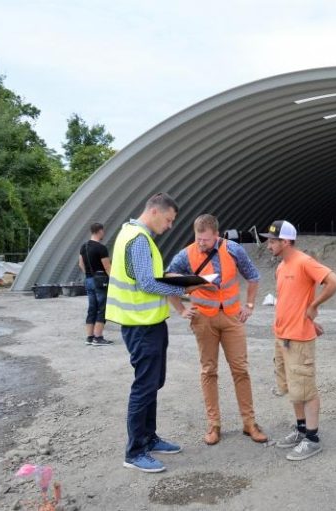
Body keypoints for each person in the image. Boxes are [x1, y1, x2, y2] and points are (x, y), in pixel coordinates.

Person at [106, 192, 204, 473]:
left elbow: (149, 279)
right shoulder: (138, 239)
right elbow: (148, 284)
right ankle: (135, 451)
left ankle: (149, 438)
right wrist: (184, 289)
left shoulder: (133, 234)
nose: (170, 226)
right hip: (141, 325)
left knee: (152, 383)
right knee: (144, 386)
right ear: (155, 212)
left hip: (148, 322)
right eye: (169, 220)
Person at [166, 214, 268, 446]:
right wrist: (181, 309)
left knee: (240, 369)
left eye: (206, 240)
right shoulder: (186, 254)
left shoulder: (233, 250)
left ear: (217, 235)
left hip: (232, 317)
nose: (201, 243)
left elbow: (253, 277)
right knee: (208, 371)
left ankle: (249, 423)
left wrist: (249, 305)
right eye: (198, 239)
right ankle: (214, 425)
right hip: (203, 320)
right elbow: (167, 281)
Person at [260, 220, 336, 461]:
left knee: (306, 389)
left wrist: (315, 306)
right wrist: (309, 318)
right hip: (283, 336)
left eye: (273, 241)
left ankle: (312, 439)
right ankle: (301, 430)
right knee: (293, 389)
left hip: (298, 339)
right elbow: (292, 300)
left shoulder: (304, 262)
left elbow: (334, 282)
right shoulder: (281, 267)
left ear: (285, 242)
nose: (268, 245)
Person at [78, 222, 113, 346]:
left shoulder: (84, 247)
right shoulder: (101, 248)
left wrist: (89, 274)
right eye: (103, 231)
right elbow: (107, 267)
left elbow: (81, 264)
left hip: (89, 280)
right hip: (100, 281)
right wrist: (115, 281)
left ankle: (89, 337)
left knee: (92, 308)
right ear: (99, 231)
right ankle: (98, 338)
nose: (104, 233)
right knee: (102, 308)